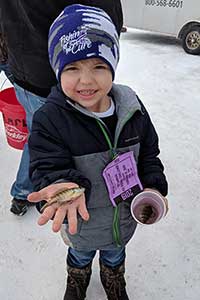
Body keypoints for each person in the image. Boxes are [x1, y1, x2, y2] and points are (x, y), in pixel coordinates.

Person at [27, 4, 168, 300]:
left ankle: (113, 278)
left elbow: (148, 154)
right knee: (80, 255)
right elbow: (46, 166)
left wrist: (153, 184)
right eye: (72, 68)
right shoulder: (51, 120)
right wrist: (61, 182)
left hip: (122, 222)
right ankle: (77, 279)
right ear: (57, 71)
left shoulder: (133, 109)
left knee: (115, 255)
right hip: (83, 223)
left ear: (113, 66)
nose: (87, 80)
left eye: (99, 67)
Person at [0, 0, 123, 216]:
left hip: (22, 65)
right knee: (51, 134)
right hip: (52, 74)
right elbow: (106, 13)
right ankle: (40, 187)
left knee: (38, 132)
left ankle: (24, 191)